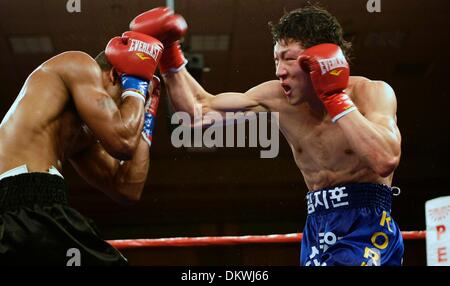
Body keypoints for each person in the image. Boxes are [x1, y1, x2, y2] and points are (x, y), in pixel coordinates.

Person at [129, 6, 404, 266]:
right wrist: (169, 57)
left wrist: (335, 98)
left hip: (368, 223)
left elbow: (385, 159)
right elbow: (197, 113)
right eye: (276, 59)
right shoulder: (275, 97)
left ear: (321, 57)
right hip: (318, 226)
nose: (279, 71)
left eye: (289, 58)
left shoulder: (372, 93)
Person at [0, 31, 163, 265]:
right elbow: (123, 141)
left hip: (25, 214)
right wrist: (138, 85)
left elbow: (127, 188)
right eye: (124, 100)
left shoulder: (76, 132)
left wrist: (147, 114)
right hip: (27, 208)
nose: (127, 111)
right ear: (116, 76)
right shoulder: (78, 63)